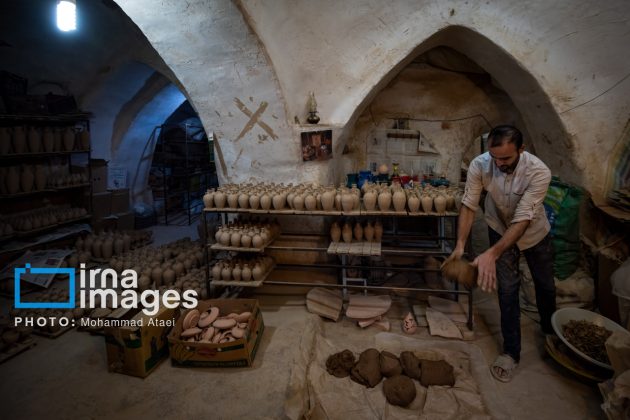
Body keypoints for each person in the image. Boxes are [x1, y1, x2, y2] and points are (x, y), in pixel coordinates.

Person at [444, 124, 556, 382]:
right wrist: (460, 245)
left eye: (506, 158)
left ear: (521, 149)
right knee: (507, 289)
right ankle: (511, 352)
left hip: (534, 232)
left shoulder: (539, 172)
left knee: (545, 285)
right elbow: (470, 205)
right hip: (498, 225)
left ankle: (551, 334)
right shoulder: (480, 165)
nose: (499, 163)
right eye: (495, 158)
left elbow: (522, 219)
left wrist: (491, 254)